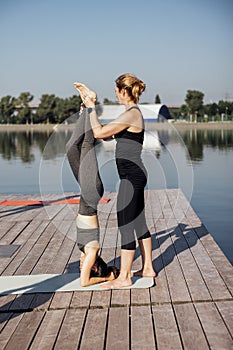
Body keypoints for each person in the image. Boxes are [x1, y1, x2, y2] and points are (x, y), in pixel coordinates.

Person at [74, 73, 156, 289]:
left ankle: (125, 277)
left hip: (131, 177)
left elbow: (100, 133)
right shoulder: (131, 114)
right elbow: (108, 135)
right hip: (134, 175)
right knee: (138, 222)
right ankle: (147, 267)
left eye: (116, 90)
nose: (115, 94)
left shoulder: (131, 114)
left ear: (124, 91)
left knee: (126, 224)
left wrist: (92, 107)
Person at [66, 100, 119, 287]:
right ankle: (90, 105)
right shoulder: (93, 250)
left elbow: (84, 274)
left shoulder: (85, 251)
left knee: (71, 148)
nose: (81, 266)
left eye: (81, 267)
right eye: (85, 267)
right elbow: (84, 282)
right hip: (92, 192)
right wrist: (108, 277)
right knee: (87, 145)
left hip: (86, 193)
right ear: (95, 266)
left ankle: (84, 112)